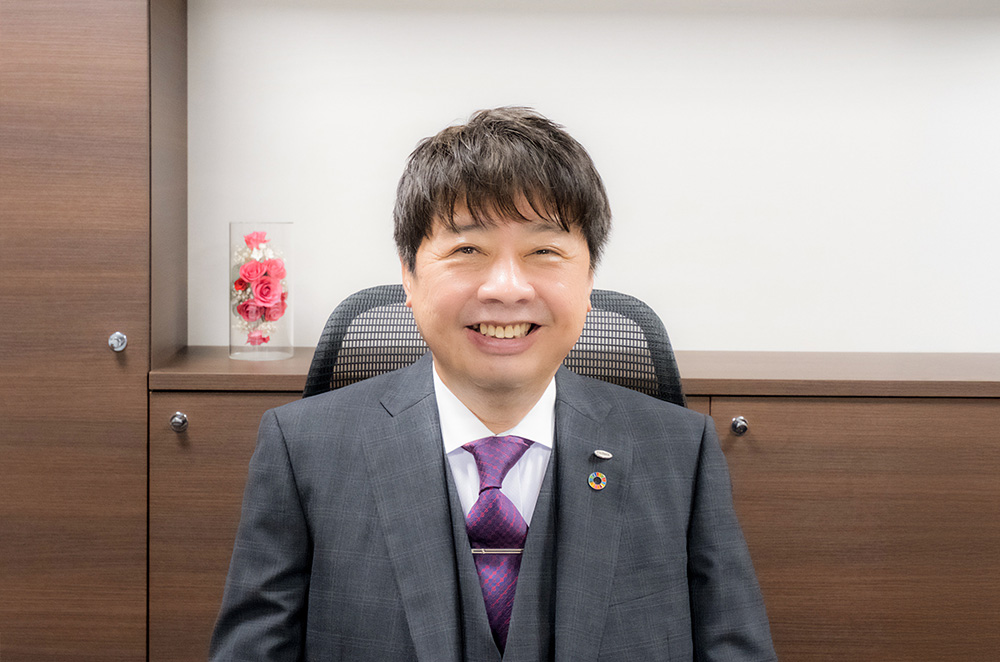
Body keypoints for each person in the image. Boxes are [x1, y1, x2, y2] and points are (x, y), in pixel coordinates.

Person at [210, 107, 776, 661]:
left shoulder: (680, 452)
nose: (506, 288)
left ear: (588, 281)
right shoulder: (301, 449)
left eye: (544, 251)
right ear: (408, 276)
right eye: (467, 250)